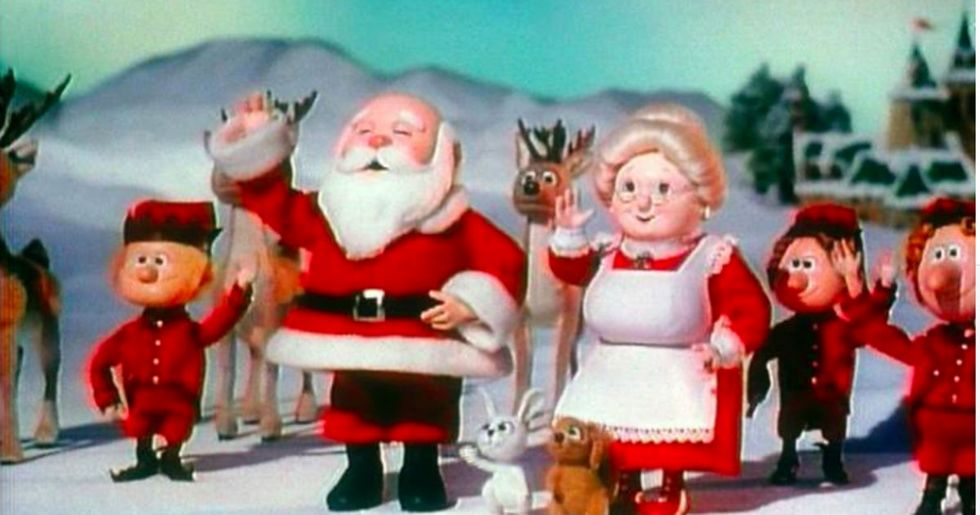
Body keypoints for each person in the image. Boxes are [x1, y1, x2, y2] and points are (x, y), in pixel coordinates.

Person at [207, 92, 524, 512]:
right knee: (355, 405)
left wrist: (471, 303)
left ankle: (421, 468)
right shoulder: (328, 211)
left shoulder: (454, 220)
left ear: (442, 152)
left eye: (401, 132)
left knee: (425, 406)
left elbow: (506, 261)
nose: (378, 142)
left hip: (423, 338)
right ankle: (362, 468)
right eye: (365, 130)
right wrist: (256, 141)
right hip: (347, 335)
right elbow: (275, 204)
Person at [547, 104, 770, 514]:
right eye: (629, 188)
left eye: (664, 189)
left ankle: (668, 485)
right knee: (612, 433)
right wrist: (569, 233)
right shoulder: (608, 250)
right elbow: (569, 270)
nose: (643, 203)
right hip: (609, 369)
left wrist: (724, 345)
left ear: (700, 199)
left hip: (673, 371)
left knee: (666, 432)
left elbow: (749, 307)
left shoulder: (710, 256)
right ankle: (623, 486)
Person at [88, 200, 253, 482]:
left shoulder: (188, 332)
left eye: (159, 262)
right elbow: (99, 363)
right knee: (140, 425)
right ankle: (145, 457)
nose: (147, 272)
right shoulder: (130, 334)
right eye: (141, 260)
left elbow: (218, 325)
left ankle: (171, 457)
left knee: (177, 426)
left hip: (179, 403)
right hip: (141, 402)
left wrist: (239, 294)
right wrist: (108, 399)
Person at [747, 204, 894, 486]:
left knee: (833, 423)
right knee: (790, 422)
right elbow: (763, 351)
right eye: (794, 265)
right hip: (795, 393)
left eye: (807, 265)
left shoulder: (845, 326)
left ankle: (833, 458)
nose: (797, 278)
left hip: (833, 395)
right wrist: (756, 380)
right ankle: (788, 458)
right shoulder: (787, 331)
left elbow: (872, 325)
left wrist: (878, 289)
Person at [851, 198, 975, 515]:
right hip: (934, 433)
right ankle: (932, 500)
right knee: (936, 475)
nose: (939, 273)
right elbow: (876, 334)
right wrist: (882, 292)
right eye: (936, 255)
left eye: (954, 254)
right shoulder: (933, 344)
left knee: (971, 480)